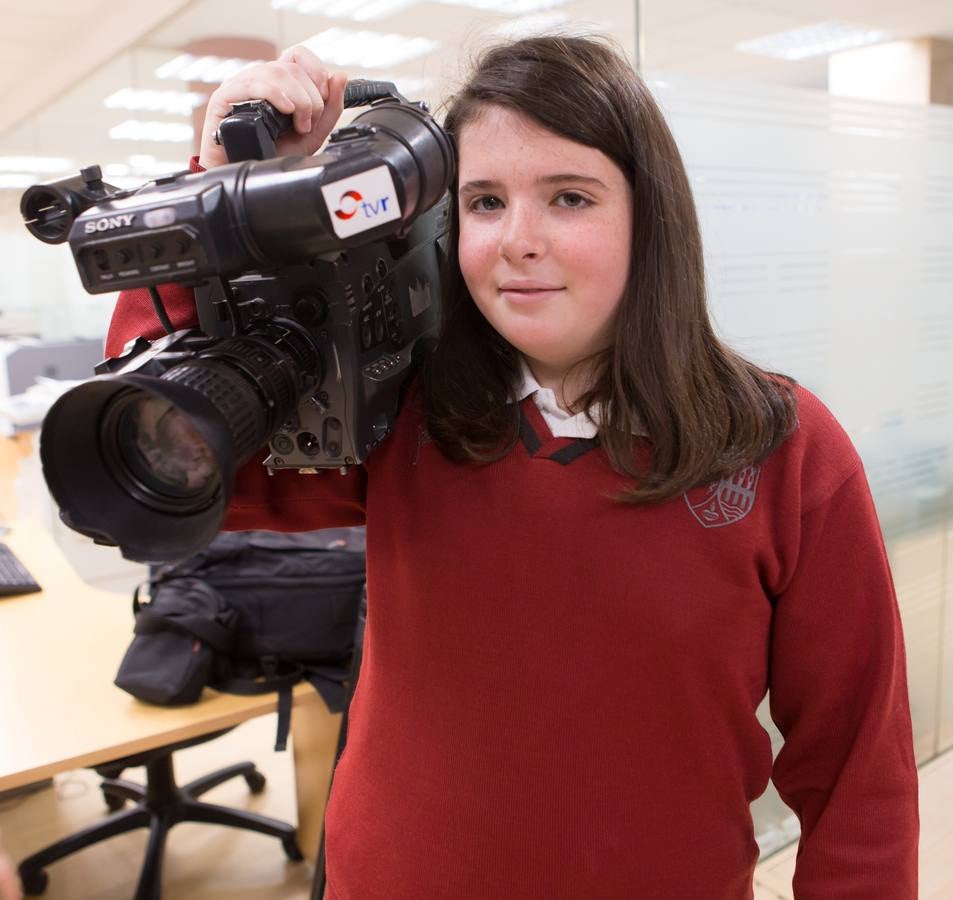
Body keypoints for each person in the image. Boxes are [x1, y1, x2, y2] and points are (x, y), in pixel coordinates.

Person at [105, 35, 919, 899]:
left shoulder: (782, 451)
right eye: (484, 202)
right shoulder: (397, 413)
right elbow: (180, 453)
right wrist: (220, 186)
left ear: (651, 217)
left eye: (569, 197)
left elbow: (857, 776)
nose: (517, 241)